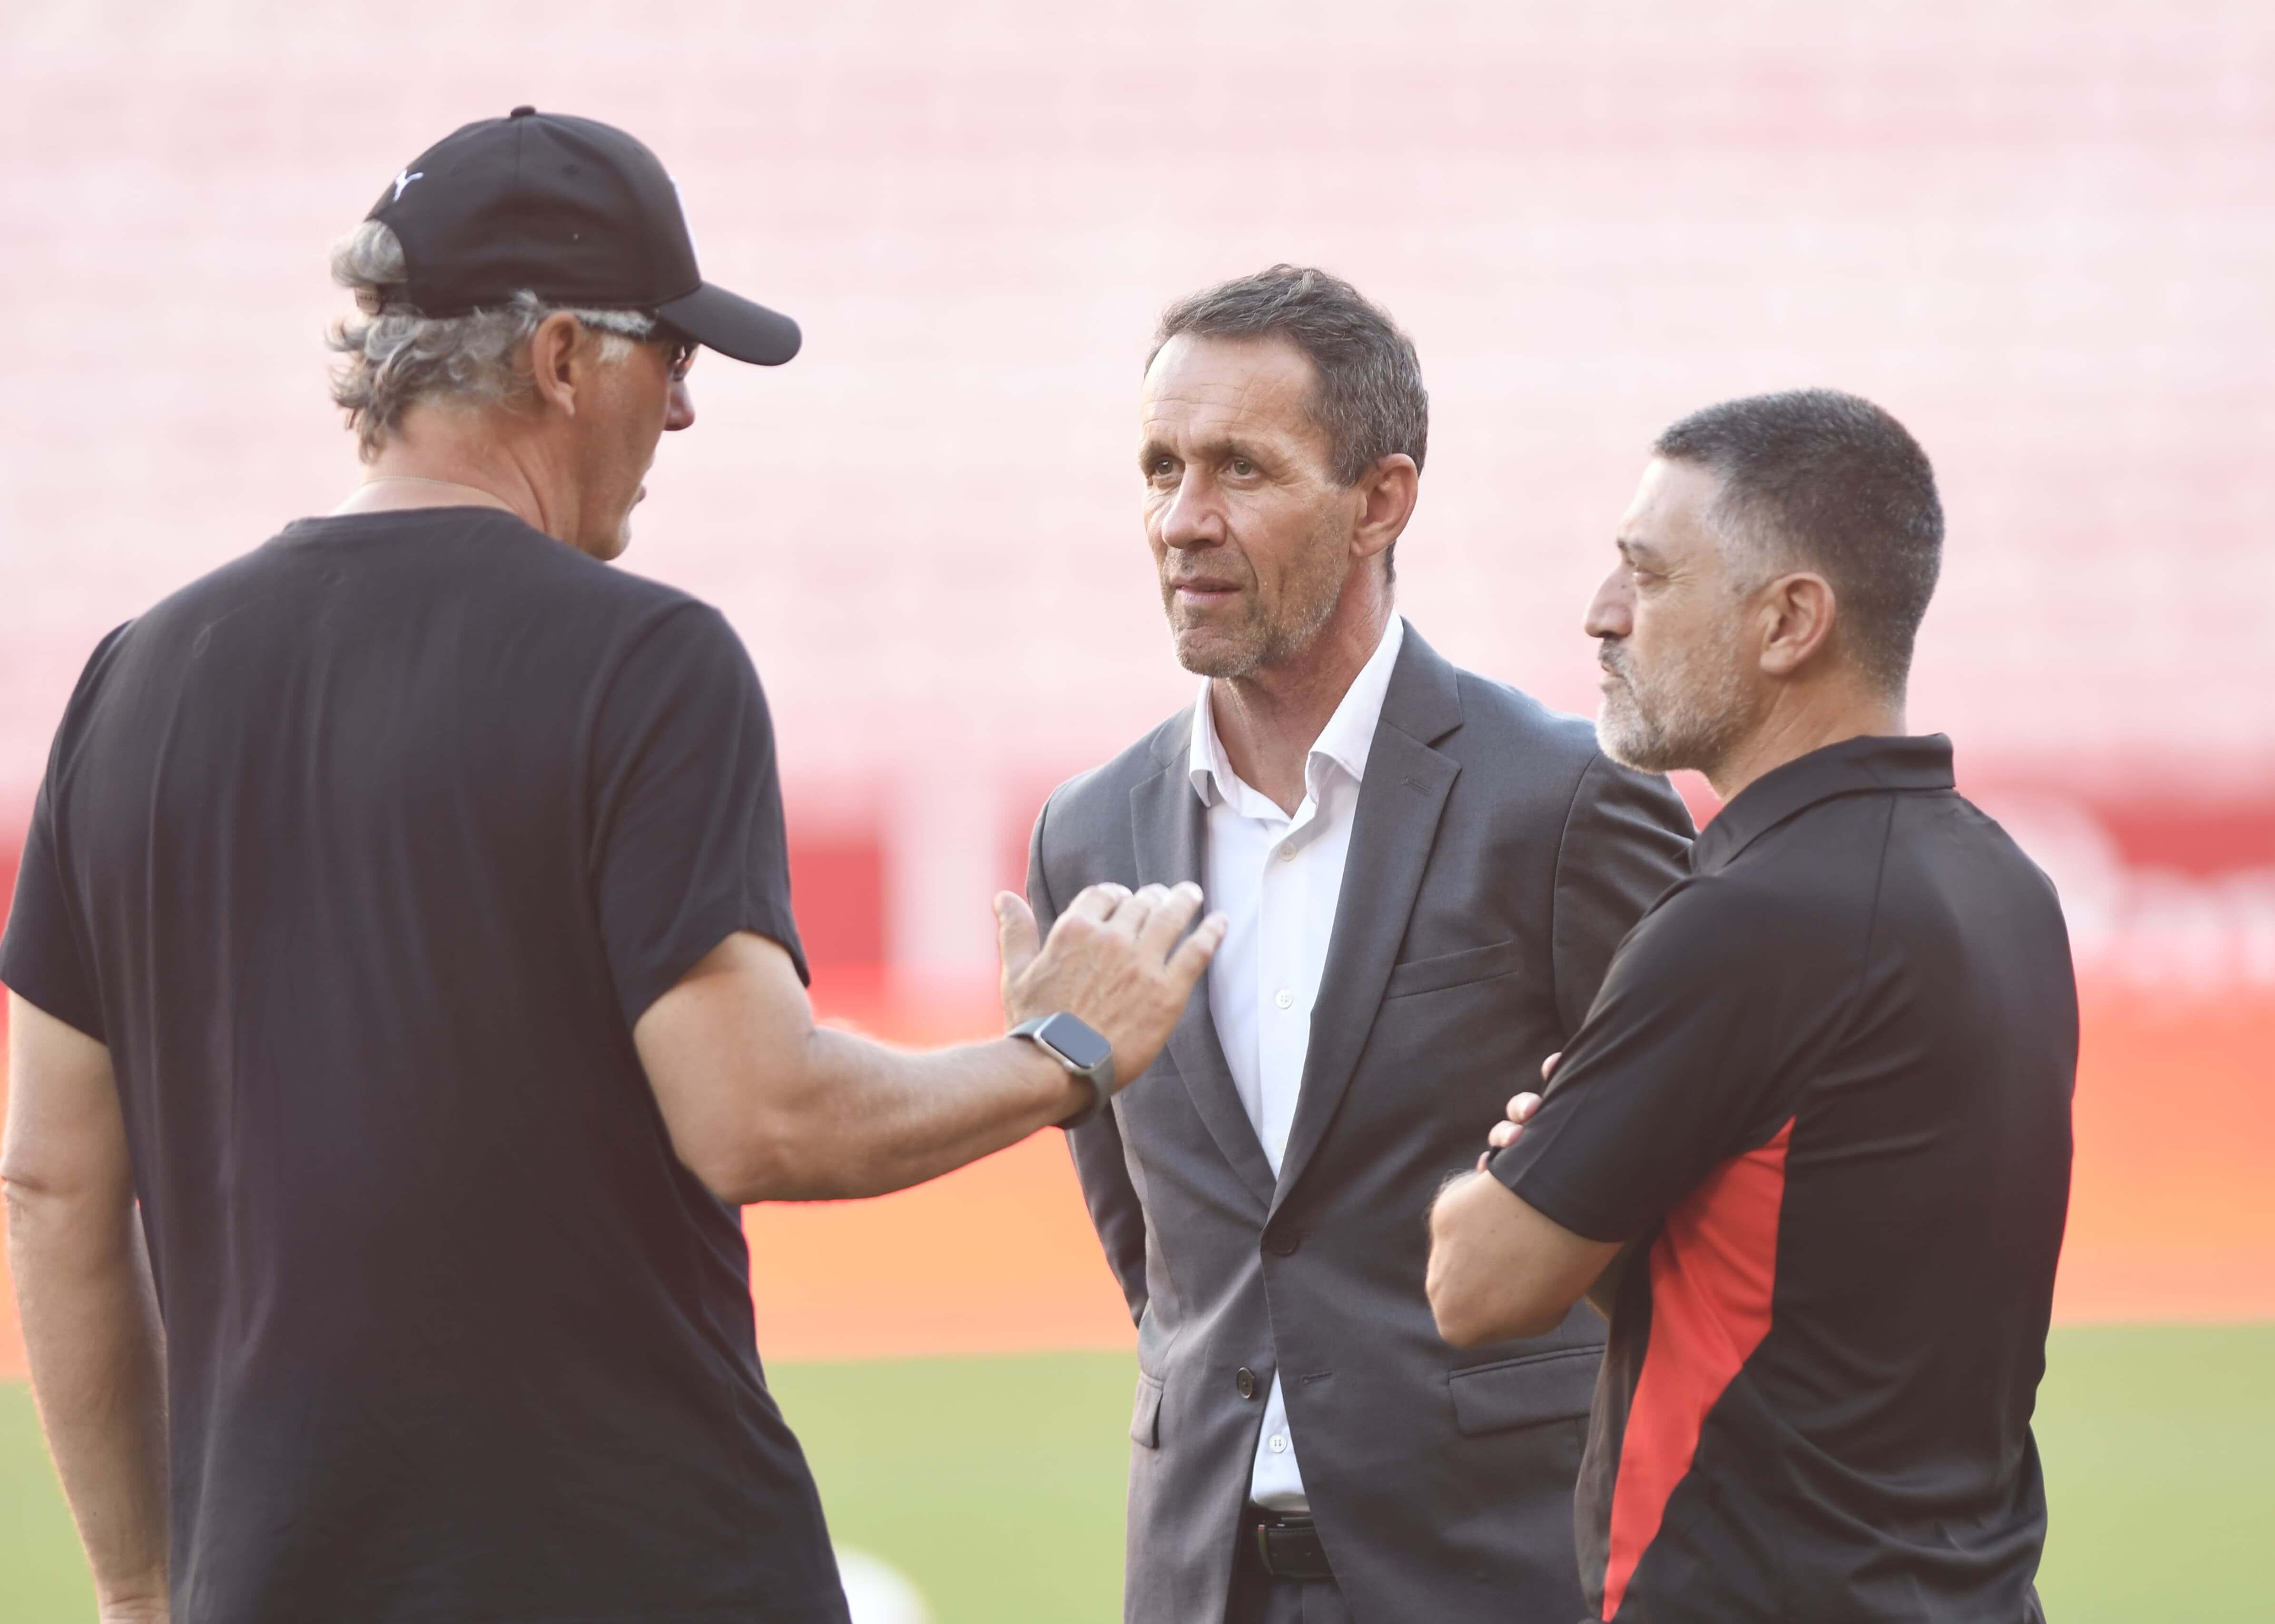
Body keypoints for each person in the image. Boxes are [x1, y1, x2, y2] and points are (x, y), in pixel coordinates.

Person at [0, 108, 1221, 1624]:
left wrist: (136, 1590)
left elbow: (51, 1179)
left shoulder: (133, 683)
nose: (687, 413)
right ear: (564, 359)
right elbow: (758, 1117)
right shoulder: (645, 662)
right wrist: (1065, 1049)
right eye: (675, 358)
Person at [1025, 266, 1694, 1624]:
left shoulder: (1565, 804)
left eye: (1239, 470)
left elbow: (1696, 1197)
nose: (1181, 520)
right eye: (1160, 467)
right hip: (1205, 1582)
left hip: (1504, 1578)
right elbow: (1155, 1248)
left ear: (1382, 500)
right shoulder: (1087, 835)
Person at [1427, 390, 2075, 1623]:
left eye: (1648, 575)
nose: (1602, 615)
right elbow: (1812, 1296)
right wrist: (1614, 1197)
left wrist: (1528, 1165)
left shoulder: (1751, 919)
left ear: (1789, 622)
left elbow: (1478, 1282)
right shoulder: (2007, 885)